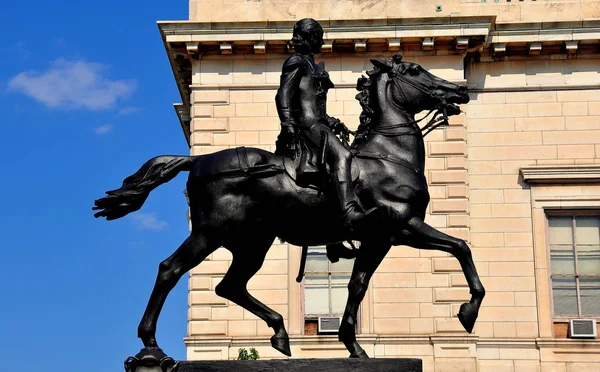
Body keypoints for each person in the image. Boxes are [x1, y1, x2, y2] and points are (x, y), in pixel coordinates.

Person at [274, 18, 368, 232]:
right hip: (307, 125)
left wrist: (332, 120)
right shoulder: (296, 61)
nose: (322, 42)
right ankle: (349, 211)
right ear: (308, 38)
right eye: (318, 37)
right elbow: (283, 96)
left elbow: (313, 104)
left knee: (333, 168)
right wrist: (288, 122)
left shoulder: (310, 64)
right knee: (343, 156)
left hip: (319, 123)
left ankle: (332, 234)